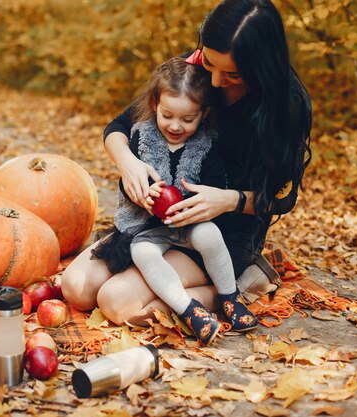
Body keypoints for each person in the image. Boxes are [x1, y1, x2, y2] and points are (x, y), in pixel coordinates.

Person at [62, 0, 312, 329]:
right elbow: (119, 128)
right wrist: (128, 164)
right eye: (210, 62)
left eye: (234, 74)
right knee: (76, 289)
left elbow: (282, 198)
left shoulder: (285, 107)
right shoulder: (192, 72)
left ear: (260, 67)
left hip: (220, 232)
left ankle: (238, 287)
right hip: (154, 222)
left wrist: (228, 200)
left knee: (116, 302)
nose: (217, 81)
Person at [90, 56, 257, 345]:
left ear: (203, 114)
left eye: (187, 119)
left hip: (190, 221)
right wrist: (142, 192)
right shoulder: (141, 135)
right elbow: (130, 180)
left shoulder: (207, 143)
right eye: (167, 116)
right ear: (155, 104)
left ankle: (230, 297)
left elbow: (216, 185)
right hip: (151, 227)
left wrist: (193, 199)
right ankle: (189, 309)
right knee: (143, 253)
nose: (176, 126)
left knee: (210, 234)